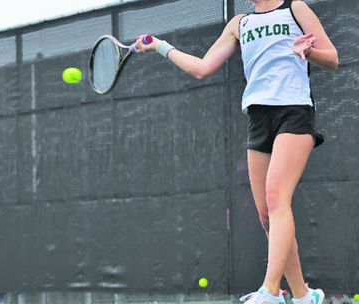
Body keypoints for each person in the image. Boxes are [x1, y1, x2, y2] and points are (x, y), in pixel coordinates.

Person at [135, 0, 338, 303]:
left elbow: (333, 58)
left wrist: (307, 52)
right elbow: (202, 68)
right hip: (258, 118)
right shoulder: (239, 24)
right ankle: (304, 295)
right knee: (267, 215)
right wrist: (161, 46)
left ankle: (270, 291)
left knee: (276, 197)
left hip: (294, 112)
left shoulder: (295, 8)